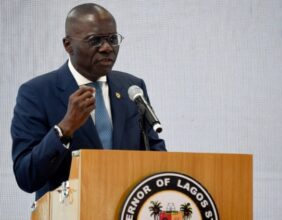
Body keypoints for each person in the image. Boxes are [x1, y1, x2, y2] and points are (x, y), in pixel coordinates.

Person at [11, 3, 166, 201]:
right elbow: (26, 177)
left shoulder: (132, 87)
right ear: (68, 45)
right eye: (95, 40)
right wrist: (64, 129)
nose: (107, 48)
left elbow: (156, 154)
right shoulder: (36, 93)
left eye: (112, 39)